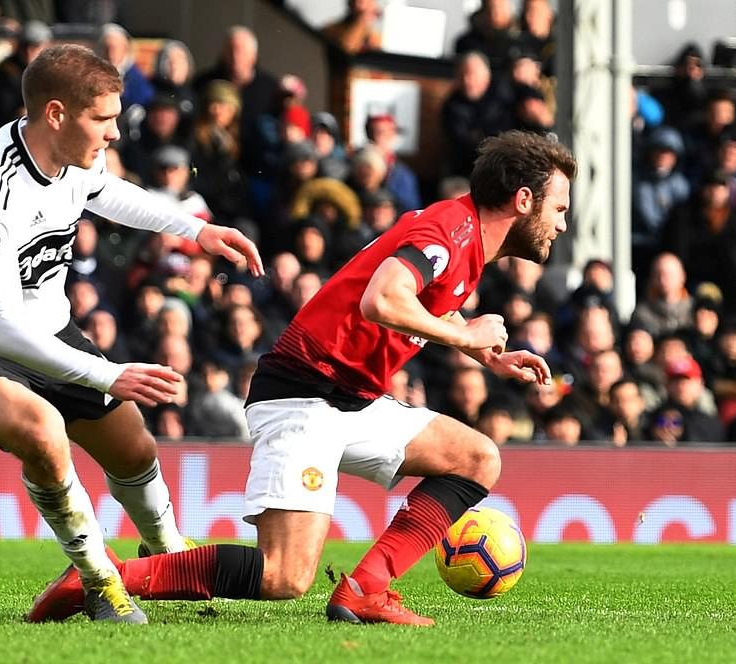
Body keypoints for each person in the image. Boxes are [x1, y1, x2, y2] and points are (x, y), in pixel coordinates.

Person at [30, 130, 576, 626]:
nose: (562, 224)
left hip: (354, 400)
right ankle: (103, 577)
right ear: (522, 200)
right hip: (304, 394)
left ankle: (367, 589)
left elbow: (419, 301)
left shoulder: (461, 236)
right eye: (559, 208)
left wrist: (486, 355)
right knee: (283, 577)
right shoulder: (451, 233)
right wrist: (464, 338)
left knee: (478, 457)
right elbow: (382, 298)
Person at [0, 45, 263, 625]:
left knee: (135, 447)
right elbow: (4, 331)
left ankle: (170, 561)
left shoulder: (72, 157)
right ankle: (100, 580)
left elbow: (108, 193)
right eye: (103, 119)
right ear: (55, 114)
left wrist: (195, 230)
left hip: (48, 327)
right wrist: (108, 373)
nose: (115, 132)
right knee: (44, 433)